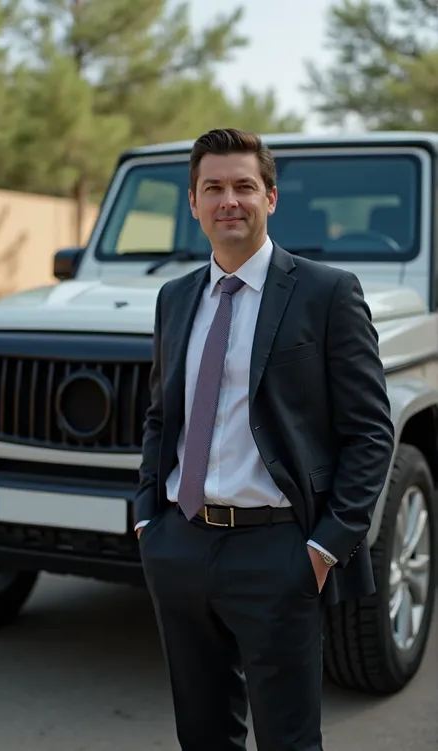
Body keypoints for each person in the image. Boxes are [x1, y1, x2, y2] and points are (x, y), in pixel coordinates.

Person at [134, 128, 394, 751]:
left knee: (289, 740)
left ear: (271, 198)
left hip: (278, 551)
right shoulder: (174, 299)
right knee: (202, 736)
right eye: (214, 188)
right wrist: (148, 517)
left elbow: (370, 432)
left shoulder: (327, 293)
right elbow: (159, 416)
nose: (230, 200)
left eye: (244, 186)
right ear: (193, 203)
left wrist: (324, 547)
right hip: (180, 544)